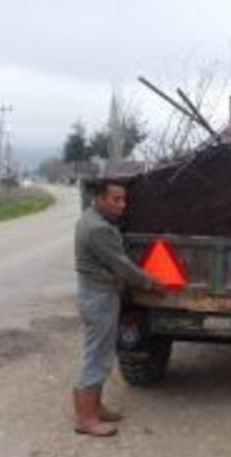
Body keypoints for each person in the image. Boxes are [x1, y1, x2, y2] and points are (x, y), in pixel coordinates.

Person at [73, 178, 159, 437]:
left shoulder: (91, 219)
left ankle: (96, 407)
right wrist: (149, 282)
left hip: (99, 294)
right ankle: (85, 419)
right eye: (116, 199)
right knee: (96, 356)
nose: (122, 205)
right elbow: (121, 265)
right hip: (98, 297)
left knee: (102, 353)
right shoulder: (98, 229)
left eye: (124, 199)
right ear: (99, 199)